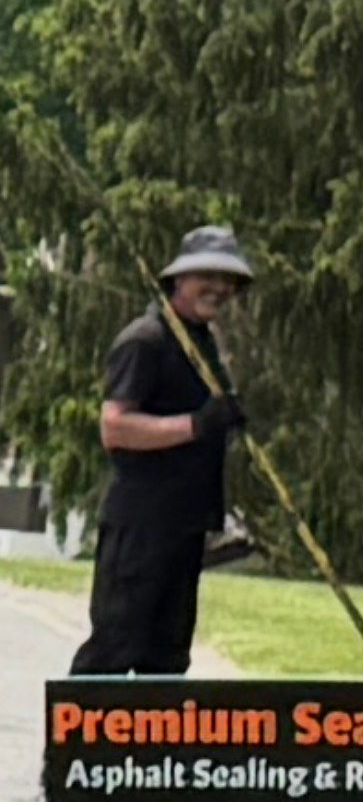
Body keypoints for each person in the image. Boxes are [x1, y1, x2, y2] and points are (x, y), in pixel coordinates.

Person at [70, 226, 254, 676]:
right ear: (179, 279)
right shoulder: (146, 340)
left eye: (228, 279)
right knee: (116, 647)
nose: (220, 288)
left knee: (168, 658)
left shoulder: (202, 342)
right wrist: (196, 425)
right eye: (208, 275)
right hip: (141, 524)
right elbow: (115, 427)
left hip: (185, 524)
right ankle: (78, 745)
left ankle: (153, 748)